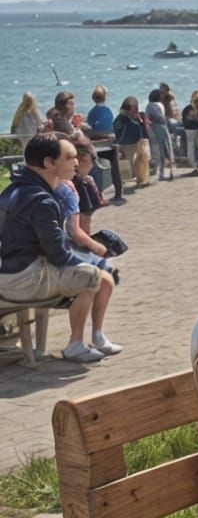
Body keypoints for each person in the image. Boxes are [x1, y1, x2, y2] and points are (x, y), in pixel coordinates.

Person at [0, 133, 104, 362]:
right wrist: (93, 263)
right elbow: (58, 254)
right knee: (91, 276)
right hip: (25, 279)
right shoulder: (41, 200)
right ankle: (75, 345)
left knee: (86, 272)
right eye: (69, 157)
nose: (76, 163)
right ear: (49, 163)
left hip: (6, 273)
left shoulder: (12, 190)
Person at [53, 142, 121, 354]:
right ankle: (78, 341)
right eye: (70, 158)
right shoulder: (68, 188)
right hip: (58, 256)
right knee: (96, 277)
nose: (75, 163)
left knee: (106, 279)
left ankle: (97, 335)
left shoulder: (68, 185)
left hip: (62, 250)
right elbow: (76, 229)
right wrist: (96, 247)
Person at [113, 97, 148, 189]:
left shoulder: (122, 119)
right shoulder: (130, 119)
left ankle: (138, 179)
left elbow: (117, 132)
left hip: (128, 143)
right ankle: (139, 179)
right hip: (131, 143)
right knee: (135, 164)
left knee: (133, 164)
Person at [145, 89, 174, 181]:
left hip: (155, 129)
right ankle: (170, 171)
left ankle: (160, 174)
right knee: (167, 150)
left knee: (158, 152)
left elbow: (146, 120)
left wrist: (148, 130)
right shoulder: (161, 105)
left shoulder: (149, 106)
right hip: (164, 128)